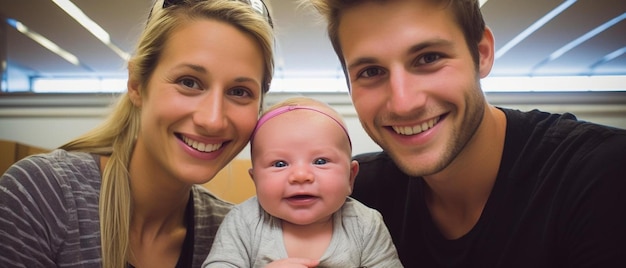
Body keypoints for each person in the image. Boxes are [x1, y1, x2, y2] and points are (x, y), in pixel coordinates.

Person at [305, 0, 626, 267]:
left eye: (429, 58)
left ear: (482, 53)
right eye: (371, 72)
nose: (403, 104)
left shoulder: (600, 175)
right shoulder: (359, 193)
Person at [0, 0, 274, 267]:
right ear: (136, 84)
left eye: (239, 92)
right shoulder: (44, 196)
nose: (213, 120)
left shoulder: (233, 235)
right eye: (188, 82)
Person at [202, 97, 402, 268]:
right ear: (256, 181)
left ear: (350, 177)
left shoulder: (364, 224)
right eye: (279, 164)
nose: (300, 175)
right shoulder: (244, 221)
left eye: (320, 161)